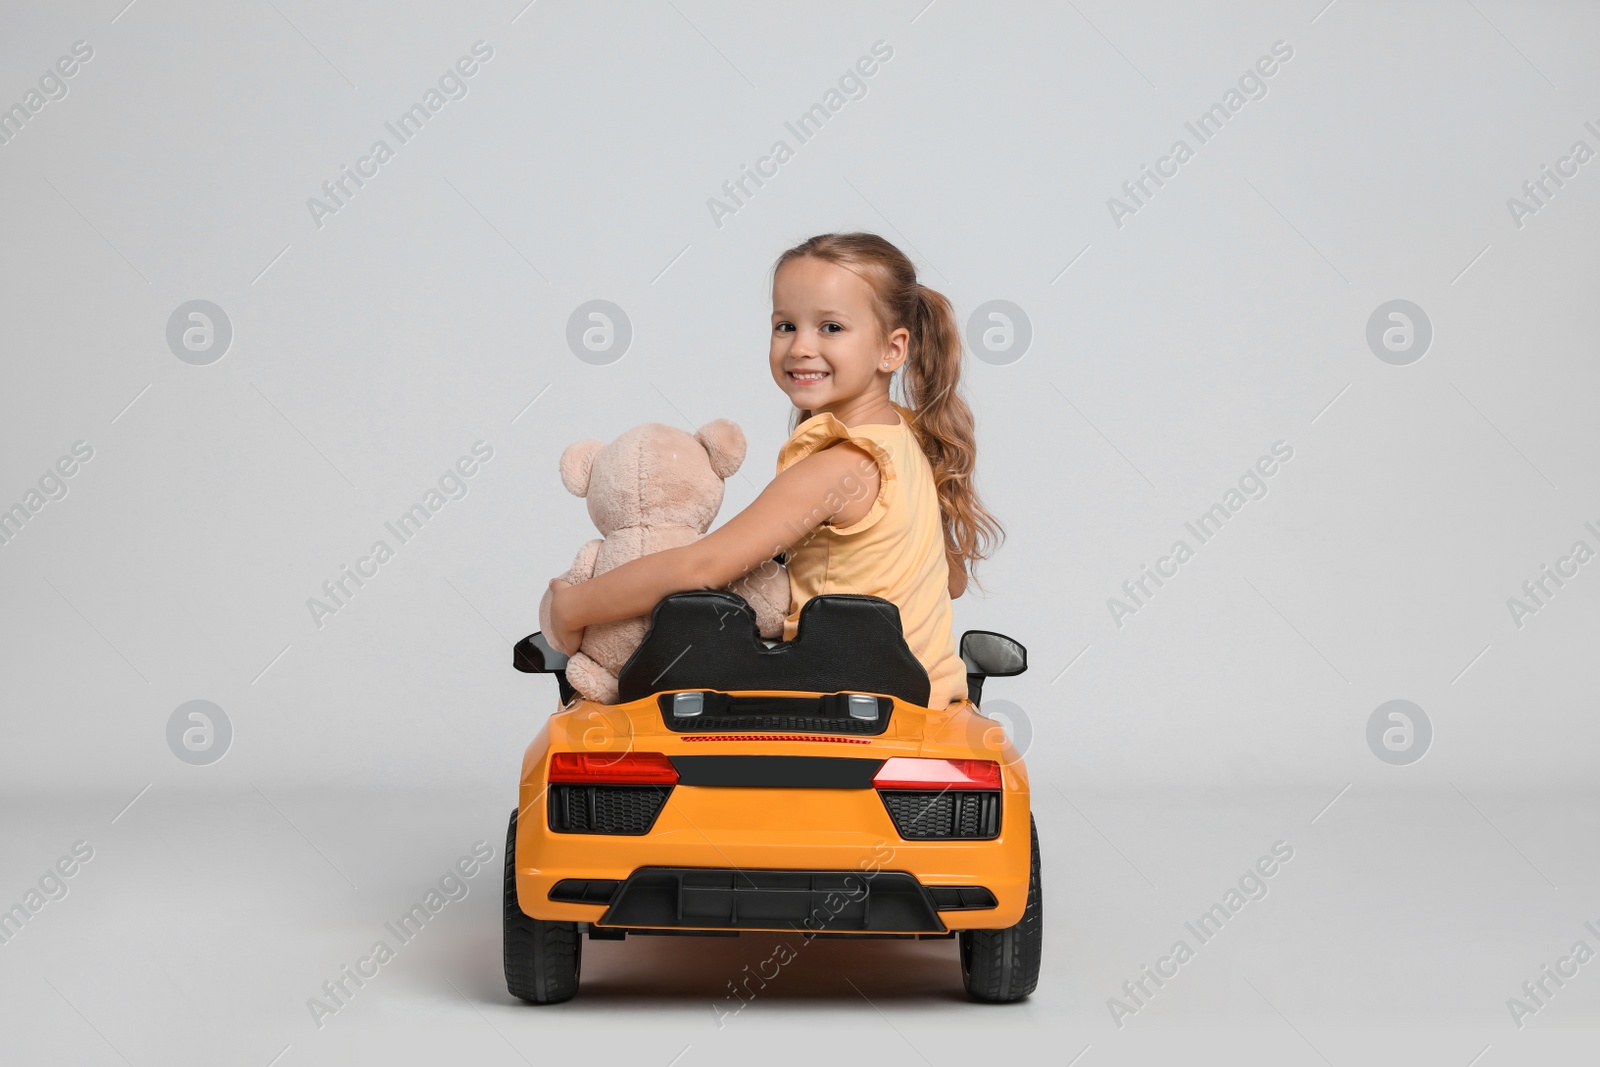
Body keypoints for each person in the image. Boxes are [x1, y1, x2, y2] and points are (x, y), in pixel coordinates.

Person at [543, 232, 1004, 708]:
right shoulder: (904, 440)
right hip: (925, 691)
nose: (801, 347)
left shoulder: (841, 466)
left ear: (892, 349)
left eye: (830, 327)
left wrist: (574, 607)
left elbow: (702, 567)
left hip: (851, 700)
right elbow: (950, 582)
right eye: (785, 326)